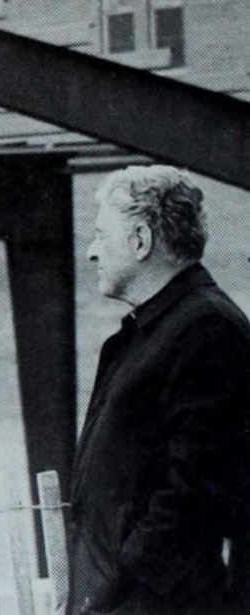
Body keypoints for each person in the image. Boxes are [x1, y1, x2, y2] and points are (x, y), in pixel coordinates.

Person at [69, 165, 250, 614]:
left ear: (141, 241)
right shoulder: (158, 330)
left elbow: (193, 496)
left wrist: (116, 598)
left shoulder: (207, 329)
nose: (92, 252)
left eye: (100, 236)